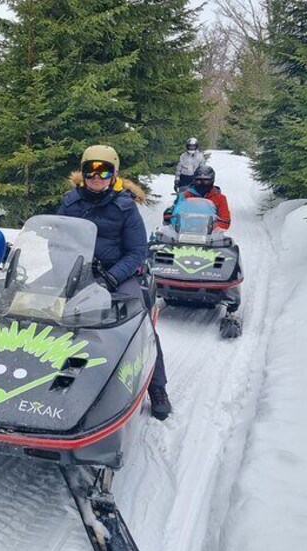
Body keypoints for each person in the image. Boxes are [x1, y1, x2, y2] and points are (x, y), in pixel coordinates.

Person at [58, 145, 172, 421]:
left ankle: (157, 388)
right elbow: (58, 237)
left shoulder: (125, 206)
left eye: (104, 171)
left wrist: (112, 277)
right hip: (79, 272)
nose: (97, 177)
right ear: (83, 173)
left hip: (117, 275)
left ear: (114, 175)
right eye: (91, 171)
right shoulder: (70, 202)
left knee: (136, 321)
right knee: (43, 312)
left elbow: (137, 251)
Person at [167, 164, 231, 231]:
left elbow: (225, 219)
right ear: (194, 180)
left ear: (212, 181)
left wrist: (213, 227)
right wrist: (170, 214)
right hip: (185, 231)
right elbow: (176, 212)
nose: (202, 183)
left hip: (210, 234)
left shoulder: (220, 198)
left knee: (227, 241)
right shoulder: (185, 195)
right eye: (198, 180)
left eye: (206, 180)